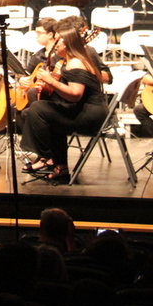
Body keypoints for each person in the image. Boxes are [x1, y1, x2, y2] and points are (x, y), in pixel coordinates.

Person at [21, 24, 108, 185]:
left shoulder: (76, 63)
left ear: (67, 44)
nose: (54, 45)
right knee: (35, 113)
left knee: (38, 109)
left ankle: (47, 157)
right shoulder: (69, 61)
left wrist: (50, 81)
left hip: (90, 115)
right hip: (81, 110)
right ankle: (60, 168)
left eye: (57, 42)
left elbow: (75, 94)